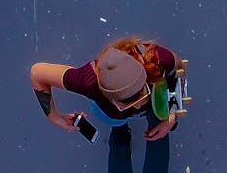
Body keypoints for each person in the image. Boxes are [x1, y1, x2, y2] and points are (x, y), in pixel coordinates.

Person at [30, 37, 180, 140]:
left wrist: (171, 119)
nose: (138, 105)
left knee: (151, 113)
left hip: (122, 109)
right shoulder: (88, 82)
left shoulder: (156, 59)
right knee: (117, 122)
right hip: (113, 115)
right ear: (108, 96)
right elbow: (37, 73)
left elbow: (179, 72)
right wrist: (53, 116)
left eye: (142, 93)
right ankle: (120, 129)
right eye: (126, 103)